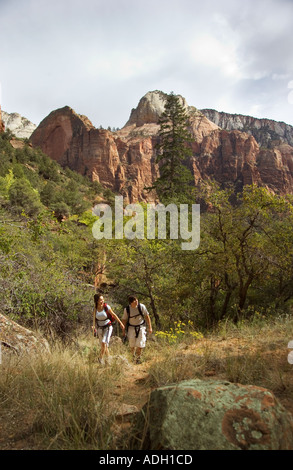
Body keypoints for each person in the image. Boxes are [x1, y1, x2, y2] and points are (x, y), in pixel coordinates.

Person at [92, 293, 125, 364]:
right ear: (97, 301)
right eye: (100, 300)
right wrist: (93, 327)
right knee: (104, 346)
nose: (102, 301)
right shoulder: (94, 309)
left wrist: (121, 323)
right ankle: (109, 360)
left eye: (103, 299)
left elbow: (114, 315)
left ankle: (100, 358)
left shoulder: (106, 307)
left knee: (104, 343)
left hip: (108, 327)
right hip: (100, 328)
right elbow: (94, 319)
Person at [122, 295, 152, 364]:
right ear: (131, 302)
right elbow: (124, 320)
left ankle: (138, 358)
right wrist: (123, 330)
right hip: (131, 328)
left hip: (141, 327)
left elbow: (147, 317)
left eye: (136, 300)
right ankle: (132, 357)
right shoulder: (127, 309)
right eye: (134, 300)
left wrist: (150, 327)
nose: (136, 301)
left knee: (140, 344)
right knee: (132, 344)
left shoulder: (141, 307)